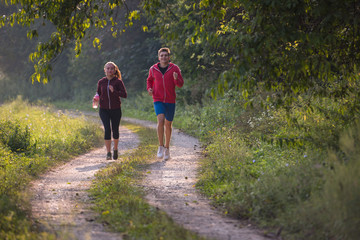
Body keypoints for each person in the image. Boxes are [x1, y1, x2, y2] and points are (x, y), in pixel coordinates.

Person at [146, 47, 184, 160]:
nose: (164, 57)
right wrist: (149, 89)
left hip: (170, 100)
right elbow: (149, 80)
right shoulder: (153, 69)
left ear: (169, 57)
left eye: (166, 55)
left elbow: (180, 84)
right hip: (157, 98)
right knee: (160, 120)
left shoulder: (175, 68)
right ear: (159, 57)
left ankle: (167, 148)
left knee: (168, 124)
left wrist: (176, 79)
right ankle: (160, 146)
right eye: (162, 55)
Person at [94, 61, 127, 160]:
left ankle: (115, 149)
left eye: (112, 68)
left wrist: (114, 91)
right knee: (107, 129)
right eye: (108, 68)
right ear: (105, 70)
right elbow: (98, 93)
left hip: (116, 109)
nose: (110, 70)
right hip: (103, 109)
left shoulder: (118, 82)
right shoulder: (101, 82)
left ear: (114, 70)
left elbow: (124, 95)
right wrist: (95, 99)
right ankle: (108, 152)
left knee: (115, 130)